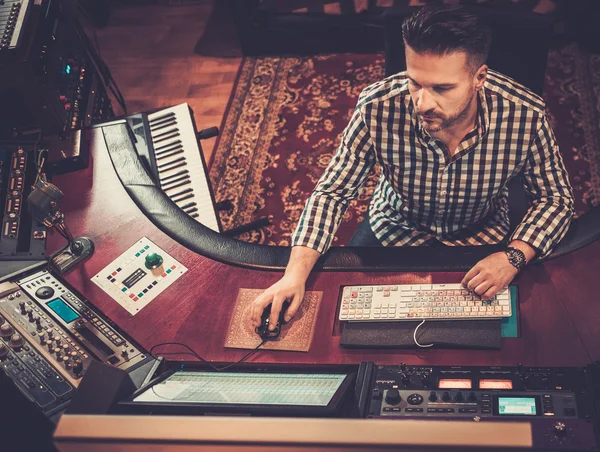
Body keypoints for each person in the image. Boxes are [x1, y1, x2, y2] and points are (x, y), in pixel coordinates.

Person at [249, 3, 574, 330]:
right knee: (345, 324)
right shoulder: (376, 107)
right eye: (415, 82)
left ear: (479, 78)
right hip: (394, 226)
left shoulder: (525, 115)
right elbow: (332, 193)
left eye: (442, 88)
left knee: (496, 337)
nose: (422, 103)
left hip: (480, 232)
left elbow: (556, 199)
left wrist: (513, 256)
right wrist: (293, 276)